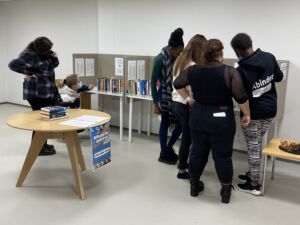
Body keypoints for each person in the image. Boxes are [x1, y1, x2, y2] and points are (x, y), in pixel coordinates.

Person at [174, 39, 250, 204]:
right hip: (222, 120)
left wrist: (188, 98)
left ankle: (194, 186)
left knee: (197, 152)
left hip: (198, 116)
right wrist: (247, 114)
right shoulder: (229, 72)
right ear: (221, 53)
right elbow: (241, 97)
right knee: (223, 156)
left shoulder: (193, 70)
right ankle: (225, 191)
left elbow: (177, 83)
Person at [231, 33, 284, 196]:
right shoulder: (269, 57)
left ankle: (254, 185)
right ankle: (251, 175)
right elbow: (279, 77)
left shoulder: (241, 70)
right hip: (270, 110)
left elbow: (241, 96)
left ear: (238, 50)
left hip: (253, 114)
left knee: (254, 148)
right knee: (256, 144)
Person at [8, 36, 59, 156]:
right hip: (36, 93)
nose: (49, 51)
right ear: (40, 49)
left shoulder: (46, 54)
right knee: (42, 120)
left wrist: (55, 58)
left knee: (45, 119)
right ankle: (39, 149)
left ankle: (42, 144)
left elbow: (52, 67)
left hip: (46, 91)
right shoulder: (29, 55)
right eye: (48, 49)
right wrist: (29, 73)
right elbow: (12, 65)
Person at [172, 34, 207, 179]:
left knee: (186, 136)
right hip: (185, 104)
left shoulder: (179, 60)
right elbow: (183, 85)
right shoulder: (192, 65)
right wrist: (188, 98)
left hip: (176, 103)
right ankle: (182, 170)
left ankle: (184, 164)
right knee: (188, 138)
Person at [151, 28, 184, 165]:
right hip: (163, 97)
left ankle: (168, 148)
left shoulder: (176, 59)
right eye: (179, 51)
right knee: (165, 123)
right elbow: (153, 83)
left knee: (181, 124)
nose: (180, 54)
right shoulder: (159, 59)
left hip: (175, 95)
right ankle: (164, 152)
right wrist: (155, 104)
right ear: (172, 48)